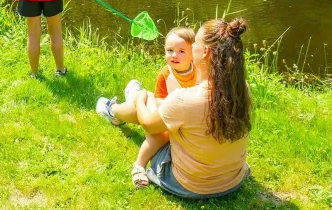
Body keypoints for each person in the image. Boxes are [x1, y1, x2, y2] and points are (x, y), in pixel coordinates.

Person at [134, 18, 251, 199]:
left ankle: (120, 106)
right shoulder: (242, 88)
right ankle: (114, 110)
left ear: (204, 52)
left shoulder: (183, 100)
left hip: (189, 186)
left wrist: (139, 100)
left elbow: (149, 126)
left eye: (195, 42)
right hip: (232, 181)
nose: (193, 45)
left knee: (161, 129)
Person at [96, 27, 197, 187]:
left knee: (143, 101)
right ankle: (139, 165)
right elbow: (159, 101)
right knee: (160, 134)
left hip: (186, 117)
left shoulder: (200, 70)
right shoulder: (165, 74)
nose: (174, 55)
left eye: (181, 51)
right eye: (169, 50)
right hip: (169, 113)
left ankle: (130, 99)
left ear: (194, 52)